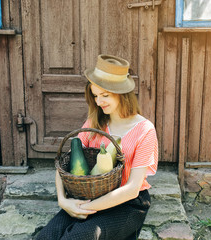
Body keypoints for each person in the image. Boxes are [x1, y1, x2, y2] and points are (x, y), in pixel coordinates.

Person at [36, 54, 158, 240]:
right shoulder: (94, 122)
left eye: (105, 95)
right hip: (90, 196)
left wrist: (85, 208)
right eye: (95, 95)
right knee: (46, 236)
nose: (99, 102)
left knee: (78, 236)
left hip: (127, 203)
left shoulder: (144, 130)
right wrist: (63, 201)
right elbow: (65, 163)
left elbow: (133, 188)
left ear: (122, 94)